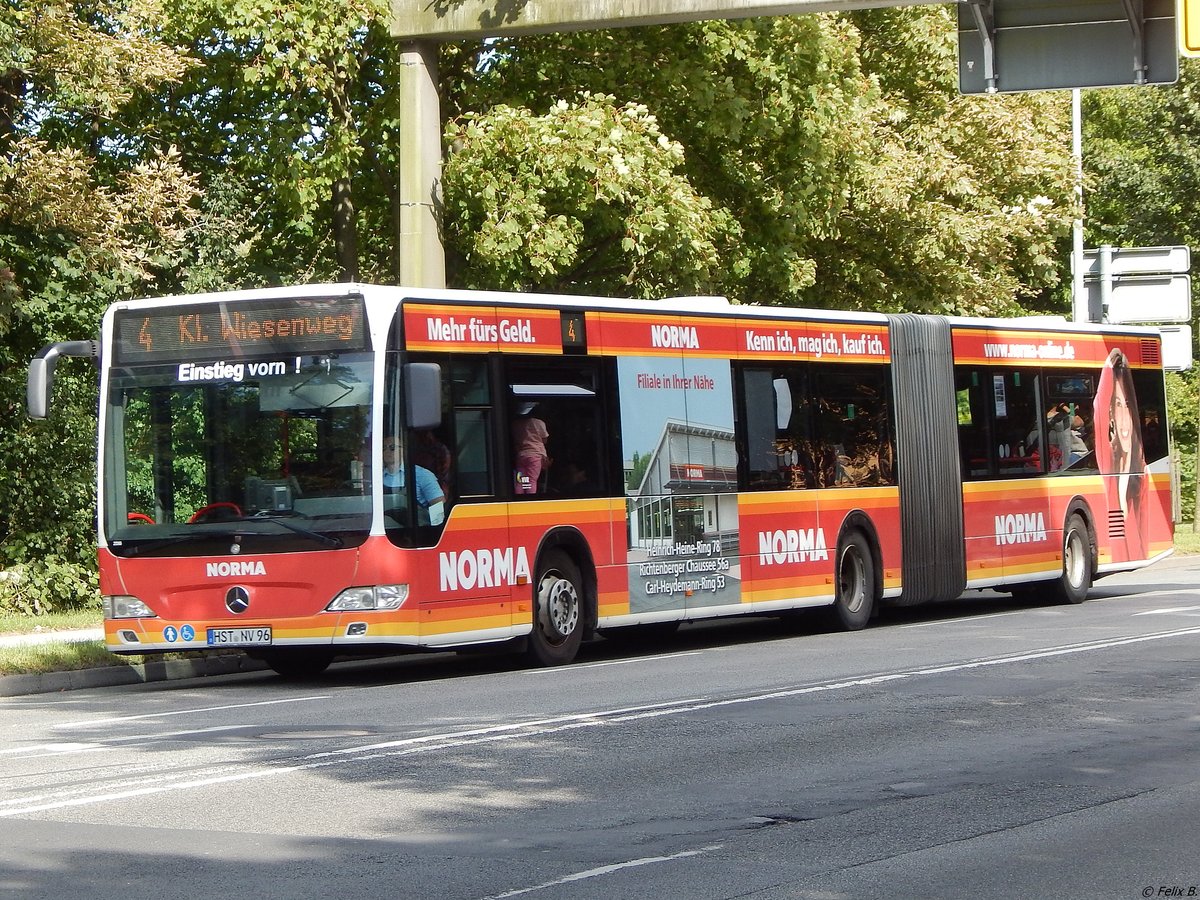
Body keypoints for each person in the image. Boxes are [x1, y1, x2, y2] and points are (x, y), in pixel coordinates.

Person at [1093, 348, 1145, 559]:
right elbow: (1099, 408)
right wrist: (1111, 357)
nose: (1124, 417)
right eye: (1117, 405)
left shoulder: (1141, 476)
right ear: (1111, 415)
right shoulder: (1107, 463)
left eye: (1127, 406)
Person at [383, 436, 445, 525]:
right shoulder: (377, 478)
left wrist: (433, 531)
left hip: (415, 533)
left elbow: (439, 506)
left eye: (392, 447)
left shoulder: (422, 475)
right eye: (384, 448)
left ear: (403, 450)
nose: (387, 451)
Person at [512, 402, 549, 494]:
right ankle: (529, 499)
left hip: (521, 455)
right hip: (535, 455)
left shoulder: (515, 424)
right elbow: (544, 440)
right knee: (532, 480)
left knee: (520, 481)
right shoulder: (539, 422)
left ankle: (519, 498)